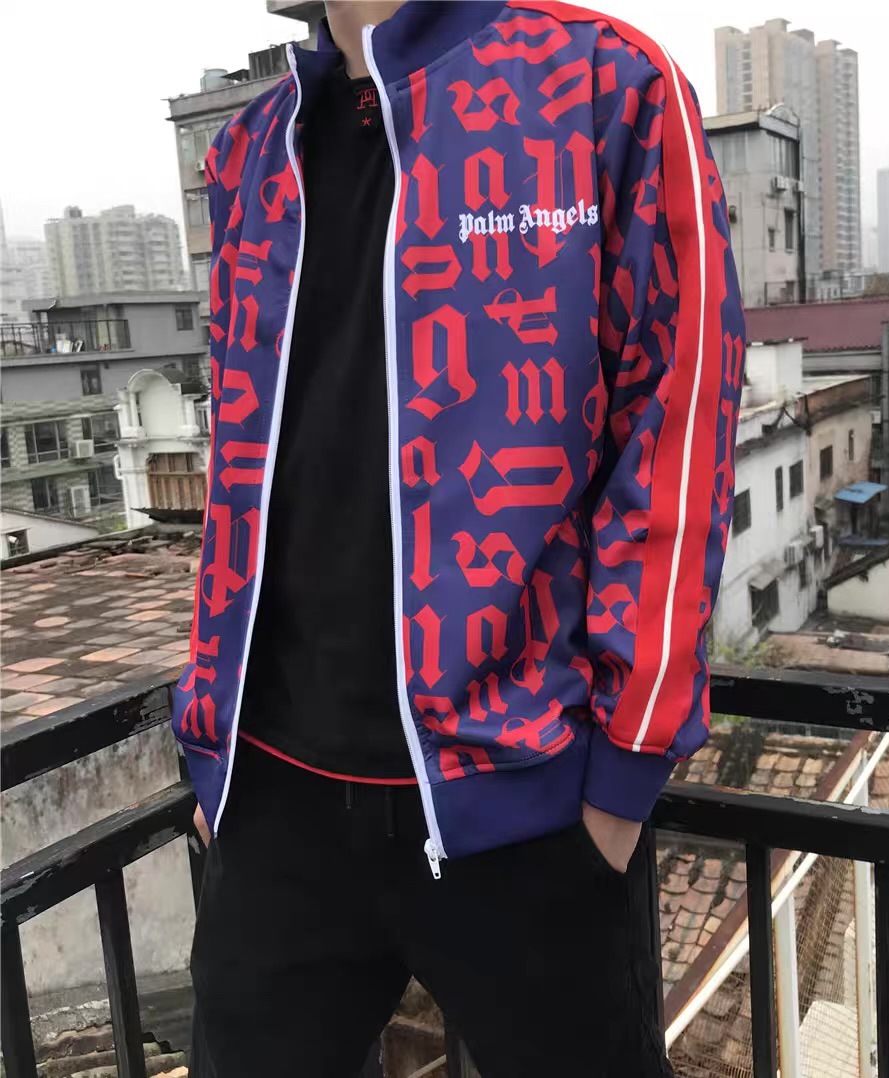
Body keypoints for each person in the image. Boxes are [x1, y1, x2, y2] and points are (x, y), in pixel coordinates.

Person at [174, 1, 745, 1074]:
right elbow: (239, 458)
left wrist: (622, 775)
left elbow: (679, 423)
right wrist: (214, 747)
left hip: (526, 802)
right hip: (274, 801)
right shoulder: (251, 150)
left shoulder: (600, 82)